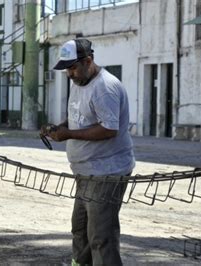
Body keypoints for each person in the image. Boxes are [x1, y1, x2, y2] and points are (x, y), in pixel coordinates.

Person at [41, 39, 135, 265]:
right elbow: (80, 119)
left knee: (101, 237)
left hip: (106, 173)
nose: (69, 74)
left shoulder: (104, 87)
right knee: (80, 231)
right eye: (66, 69)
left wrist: (69, 135)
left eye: (73, 67)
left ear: (89, 61)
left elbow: (109, 129)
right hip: (86, 173)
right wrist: (60, 127)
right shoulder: (79, 83)